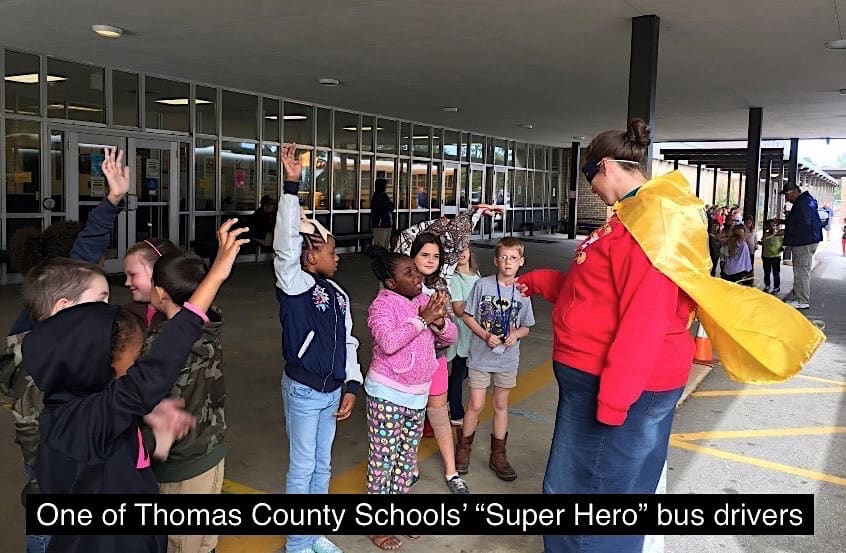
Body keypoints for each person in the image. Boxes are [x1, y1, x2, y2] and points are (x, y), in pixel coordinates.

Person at [517, 119, 824, 553]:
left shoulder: (651, 225)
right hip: (607, 381)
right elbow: (601, 292)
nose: (591, 188)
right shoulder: (635, 217)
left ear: (606, 166)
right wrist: (543, 282)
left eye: (588, 176)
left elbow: (645, 317)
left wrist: (614, 401)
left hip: (617, 386)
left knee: (593, 503)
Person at [23, 220, 247, 553]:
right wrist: (215, 275)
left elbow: (121, 458)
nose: (135, 370)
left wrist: (155, 438)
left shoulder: (82, 411)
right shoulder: (86, 421)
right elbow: (157, 368)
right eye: (131, 364)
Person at [274, 144, 363, 553]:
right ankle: (297, 544)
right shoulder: (295, 286)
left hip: (331, 392)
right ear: (309, 256)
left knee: (322, 466)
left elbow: (349, 342)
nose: (337, 258)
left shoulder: (339, 295)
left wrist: (351, 385)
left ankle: (313, 535)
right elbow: (284, 246)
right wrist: (292, 186)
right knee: (302, 467)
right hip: (304, 391)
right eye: (330, 252)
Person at [364, 246, 456, 551]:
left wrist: (439, 322)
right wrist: (422, 320)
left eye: (416, 270)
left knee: (405, 460)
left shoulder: (423, 300)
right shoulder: (381, 306)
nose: (418, 276)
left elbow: (450, 337)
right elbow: (389, 342)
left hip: (417, 394)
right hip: (387, 393)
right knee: (383, 460)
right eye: (409, 272)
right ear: (392, 282)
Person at [145, 252, 227, 553]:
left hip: (180, 464)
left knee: (179, 545)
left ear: (160, 292)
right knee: (205, 543)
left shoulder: (160, 344)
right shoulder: (210, 324)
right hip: (212, 449)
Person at [455, 237, 534, 481]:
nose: (508, 262)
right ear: (495, 260)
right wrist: (485, 335)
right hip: (480, 356)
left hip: (507, 360)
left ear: (521, 261)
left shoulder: (523, 291)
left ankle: (498, 454)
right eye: (503, 257)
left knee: (501, 404)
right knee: (476, 404)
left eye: (513, 258)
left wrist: (516, 335)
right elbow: (468, 316)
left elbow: (526, 326)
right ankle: (463, 448)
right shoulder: (482, 285)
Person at [406, 233, 471, 494]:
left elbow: (449, 329)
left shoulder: (442, 286)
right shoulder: (400, 286)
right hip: (408, 365)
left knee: (439, 415)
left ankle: (451, 471)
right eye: (424, 255)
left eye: (435, 256)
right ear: (412, 256)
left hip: (436, 360)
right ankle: (411, 467)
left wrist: (438, 322)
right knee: (411, 417)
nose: (430, 260)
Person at [446, 247, 480, 426]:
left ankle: (444, 396)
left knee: (464, 372)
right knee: (459, 374)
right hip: (461, 334)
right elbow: (459, 309)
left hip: (473, 334)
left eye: (464, 248)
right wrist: (481, 303)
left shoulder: (476, 275)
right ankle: (456, 413)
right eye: (456, 250)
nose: (461, 253)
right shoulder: (455, 279)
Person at [780, 182, 823, 310]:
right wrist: (784, 223)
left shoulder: (801, 203)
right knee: (801, 270)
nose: (786, 198)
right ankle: (799, 297)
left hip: (804, 242)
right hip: (810, 240)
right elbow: (801, 221)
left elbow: (804, 224)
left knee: (801, 271)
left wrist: (787, 231)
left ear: (793, 192)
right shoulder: (807, 201)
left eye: (786, 195)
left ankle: (802, 300)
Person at [760, 218, 784, 294]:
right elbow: (763, 243)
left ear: (776, 226)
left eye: (773, 225)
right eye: (769, 225)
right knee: (767, 273)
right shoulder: (765, 235)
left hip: (776, 257)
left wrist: (782, 248)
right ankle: (767, 285)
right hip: (766, 256)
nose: (771, 227)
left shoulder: (779, 234)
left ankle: (776, 287)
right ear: (767, 227)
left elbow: (784, 243)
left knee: (776, 273)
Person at [371, 178, 394, 248]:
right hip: (381, 224)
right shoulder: (381, 196)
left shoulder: (377, 196)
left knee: (382, 245)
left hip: (383, 224)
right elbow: (389, 207)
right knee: (381, 246)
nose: (386, 187)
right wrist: (390, 204)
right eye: (385, 186)